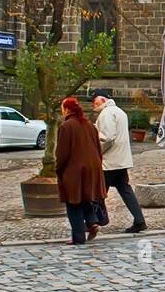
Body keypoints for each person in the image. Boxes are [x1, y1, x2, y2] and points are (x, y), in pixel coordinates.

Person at [92, 92, 147, 234]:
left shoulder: (106, 114)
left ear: (103, 99)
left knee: (97, 192)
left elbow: (107, 138)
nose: (93, 103)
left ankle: (91, 221)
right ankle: (140, 220)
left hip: (109, 161)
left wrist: (97, 151)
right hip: (120, 160)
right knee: (125, 190)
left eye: (95, 100)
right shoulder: (120, 112)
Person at [55, 96, 106, 245]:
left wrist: (58, 169)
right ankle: (92, 222)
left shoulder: (66, 127)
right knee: (84, 197)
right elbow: (98, 147)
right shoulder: (89, 124)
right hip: (92, 167)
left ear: (66, 109)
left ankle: (78, 237)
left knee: (73, 202)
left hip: (75, 170)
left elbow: (62, 153)